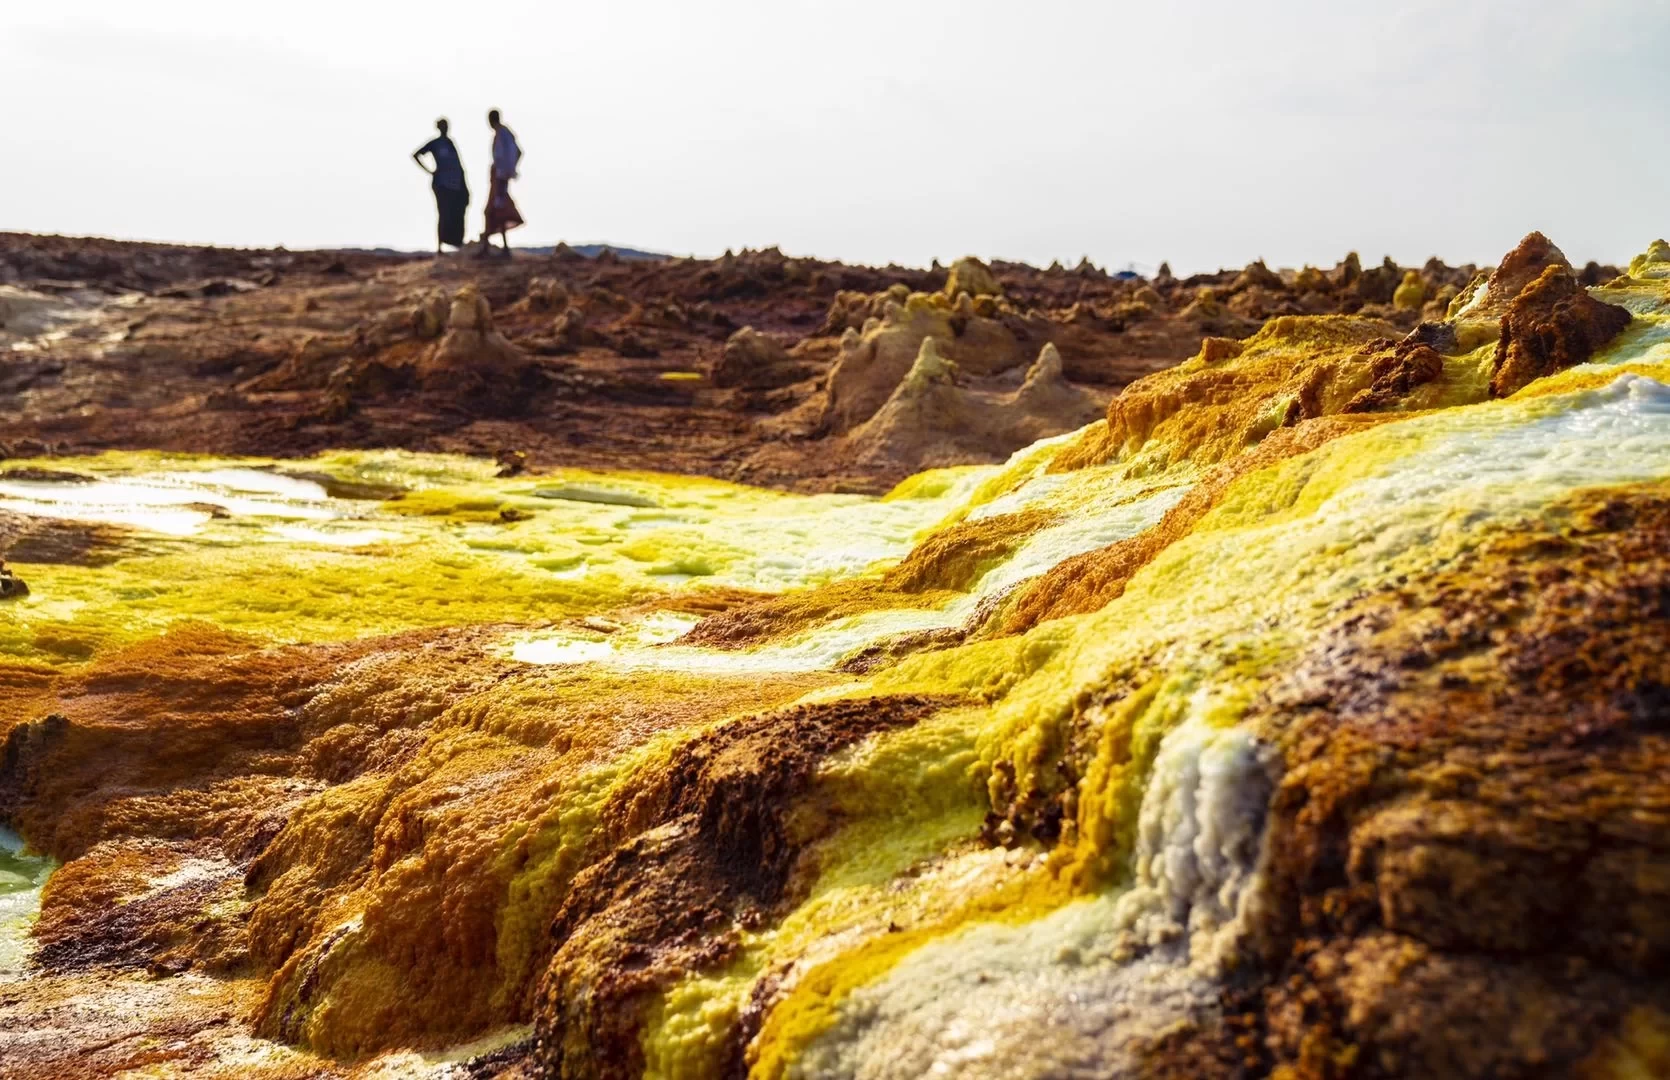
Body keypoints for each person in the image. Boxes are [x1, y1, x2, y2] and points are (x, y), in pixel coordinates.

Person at [412, 119, 469, 255]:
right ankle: (440, 248)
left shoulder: (450, 143)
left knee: (455, 213)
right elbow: (416, 154)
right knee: (443, 214)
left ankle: (455, 243)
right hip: (442, 184)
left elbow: (457, 165)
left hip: (455, 185)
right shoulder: (436, 143)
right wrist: (430, 171)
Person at [481, 109, 524, 256]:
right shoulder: (503, 134)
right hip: (499, 176)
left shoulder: (503, 134)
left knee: (495, 210)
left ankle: (488, 247)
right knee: (498, 210)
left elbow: (517, 152)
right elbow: (518, 152)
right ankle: (494, 246)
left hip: (500, 177)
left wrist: (507, 171)